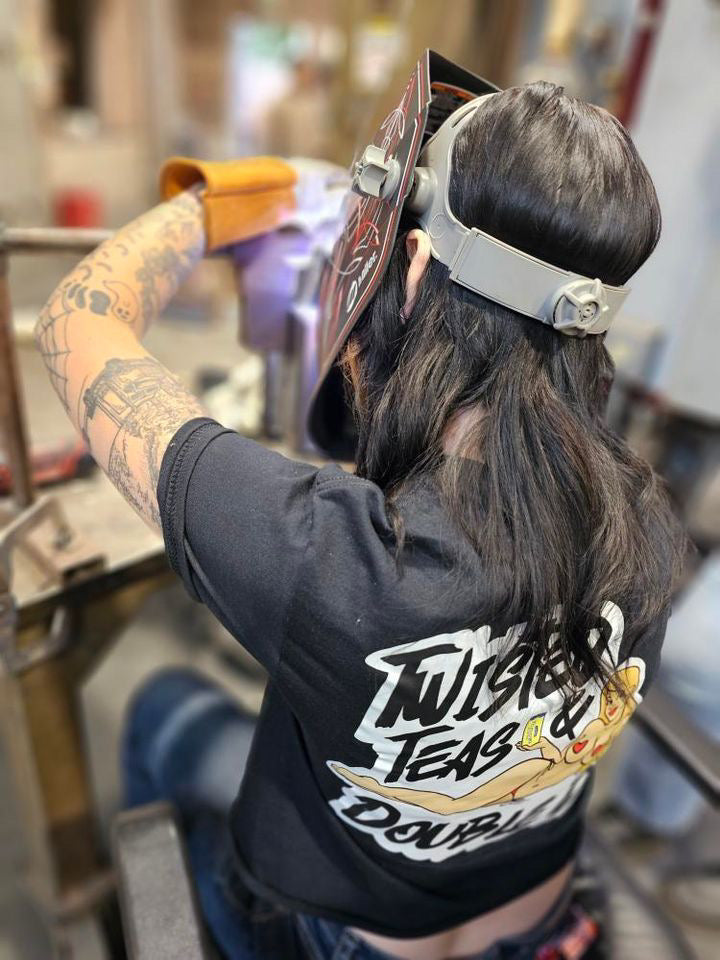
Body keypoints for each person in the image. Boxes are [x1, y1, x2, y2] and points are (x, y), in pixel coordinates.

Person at [35, 76, 686, 960]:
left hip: (339, 940)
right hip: (532, 918)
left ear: (413, 267)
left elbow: (76, 324)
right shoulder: (646, 522)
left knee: (159, 706)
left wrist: (208, 209)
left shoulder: (329, 556)